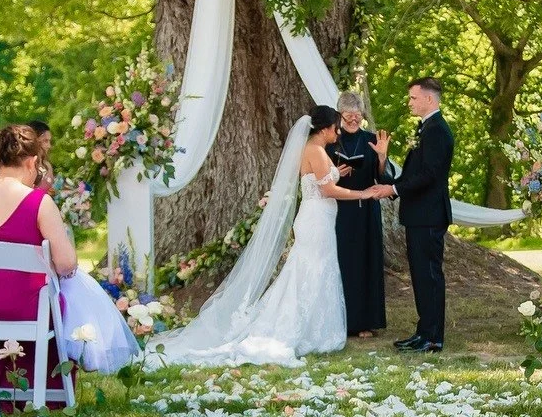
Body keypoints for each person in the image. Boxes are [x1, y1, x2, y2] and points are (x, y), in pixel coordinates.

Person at [151, 107, 385, 368]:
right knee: (313, 270)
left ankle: (315, 328)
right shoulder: (317, 151)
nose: (338, 132)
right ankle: (307, 330)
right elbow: (328, 191)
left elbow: (316, 180)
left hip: (318, 218)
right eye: (335, 127)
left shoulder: (311, 149)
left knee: (311, 269)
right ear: (325, 128)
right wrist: (363, 194)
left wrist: (336, 173)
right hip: (317, 219)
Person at [0, 125, 81, 389]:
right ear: (33, 162)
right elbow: (67, 263)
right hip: (27, 308)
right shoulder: (38, 202)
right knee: (67, 299)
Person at [374, 78, 453, 353]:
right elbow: (414, 174)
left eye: (413, 98)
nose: (409, 103)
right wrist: (389, 177)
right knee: (420, 276)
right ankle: (424, 331)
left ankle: (434, 337)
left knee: (429, 276)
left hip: (429, 215)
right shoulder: (426, 129)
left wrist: (392, 188)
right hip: (419, 215)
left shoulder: (437, 131)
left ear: (429, 100)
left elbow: (429, 175)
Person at [332, 92, 387, 339]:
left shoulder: (371, 139)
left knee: (367, 262)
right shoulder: (331, 140)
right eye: (348, 116)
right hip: (340, 209)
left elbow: (382, 178)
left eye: (357, 115)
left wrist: (382, 156)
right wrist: (334, 173)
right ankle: (341, 319)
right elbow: (319, 173)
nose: (354, 120)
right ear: (340, 116)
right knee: (343, 263)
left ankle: (366, 321)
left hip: (367, 210)